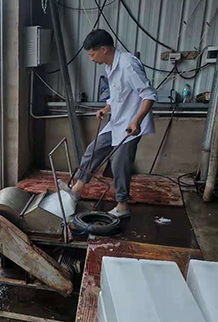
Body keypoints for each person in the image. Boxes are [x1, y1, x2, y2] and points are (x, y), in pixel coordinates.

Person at [59, 29, 157, 219]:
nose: (91, 58)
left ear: (104, 49)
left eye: (92, 54)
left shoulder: (128, 65)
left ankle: (122, 206)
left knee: (120, 164)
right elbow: (118, 95)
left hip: (131, 126)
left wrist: (137, 121)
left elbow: (149, 95)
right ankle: (77, 190)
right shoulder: (110, 65)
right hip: (116, 122)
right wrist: (106, 108)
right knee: (93, 150)